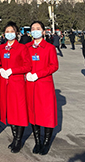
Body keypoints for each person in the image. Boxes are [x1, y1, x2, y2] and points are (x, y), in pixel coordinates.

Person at [0, 21, 32, 153]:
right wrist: (0, 69)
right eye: (7, 31)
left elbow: (27, 66)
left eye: (12, 31)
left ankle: (18, 140)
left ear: (17, 33)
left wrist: (12, 70)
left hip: (17, 83)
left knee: (19, 111)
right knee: (10, 111)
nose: (9, 34)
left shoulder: (22, 48)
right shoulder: (1, 48)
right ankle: (14, 137)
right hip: (5, 83)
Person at [26, 21, 59, 155]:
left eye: (38, 29)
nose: (35, 31)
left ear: (43, 32)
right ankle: (38, 141)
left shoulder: (49, 48)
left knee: (47, 114)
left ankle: (46, 142)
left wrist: (38, 74)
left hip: (44, 85)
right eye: (33, 28)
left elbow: (54, 66)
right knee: (33, 113)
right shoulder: (27, 47)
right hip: (30, 85)